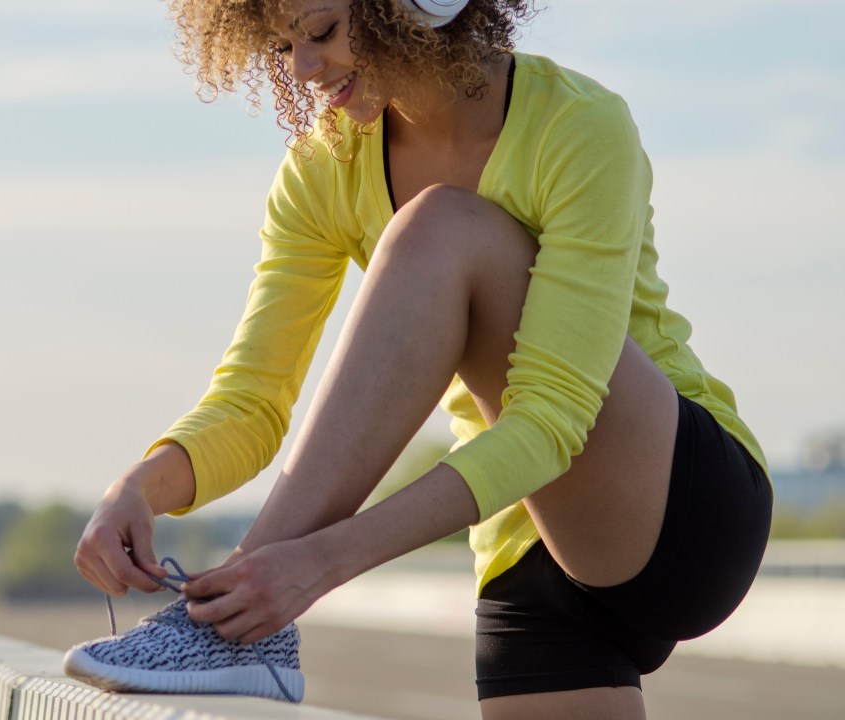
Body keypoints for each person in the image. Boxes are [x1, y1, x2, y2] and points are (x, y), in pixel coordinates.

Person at [67, 1, 773, 717]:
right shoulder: (322, 169)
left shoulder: (579, 124)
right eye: (282, 47)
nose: (304, 69)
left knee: (443, 226)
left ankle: (227, 628)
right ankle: (235, 623)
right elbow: (253, 402)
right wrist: (141, 485)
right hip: (520, 541)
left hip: (678, 502)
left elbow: (553, 420)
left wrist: (318, 564)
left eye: (321, 33)